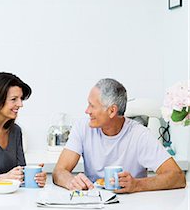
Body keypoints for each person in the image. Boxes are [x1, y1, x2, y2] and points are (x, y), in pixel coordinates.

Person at [53, 78, 186, 193]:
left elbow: (177, 177)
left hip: (132, 209)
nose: (87, 111)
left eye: (92, 106)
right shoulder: (83, 128)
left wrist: (136, 185)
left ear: (112, 111)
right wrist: (71, 181)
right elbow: (59, 171)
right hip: (94, 206)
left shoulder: (139, 134)